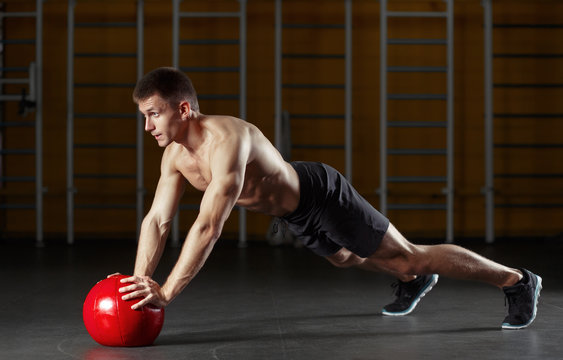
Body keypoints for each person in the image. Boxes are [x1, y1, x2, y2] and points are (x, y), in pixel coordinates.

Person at [116, 67, 541, 330]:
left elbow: (208, 226)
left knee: (409, 255)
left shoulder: (228, 140)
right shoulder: (174, 156)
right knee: (343, 257)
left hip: (320, 195)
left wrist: (167, 292)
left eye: (154, 113)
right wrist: (138, 282)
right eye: (144, 117)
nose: (148, 125)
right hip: (294, 212)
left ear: (184, 109)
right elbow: (157, 220)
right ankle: (415, 282)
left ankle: (517, 281)